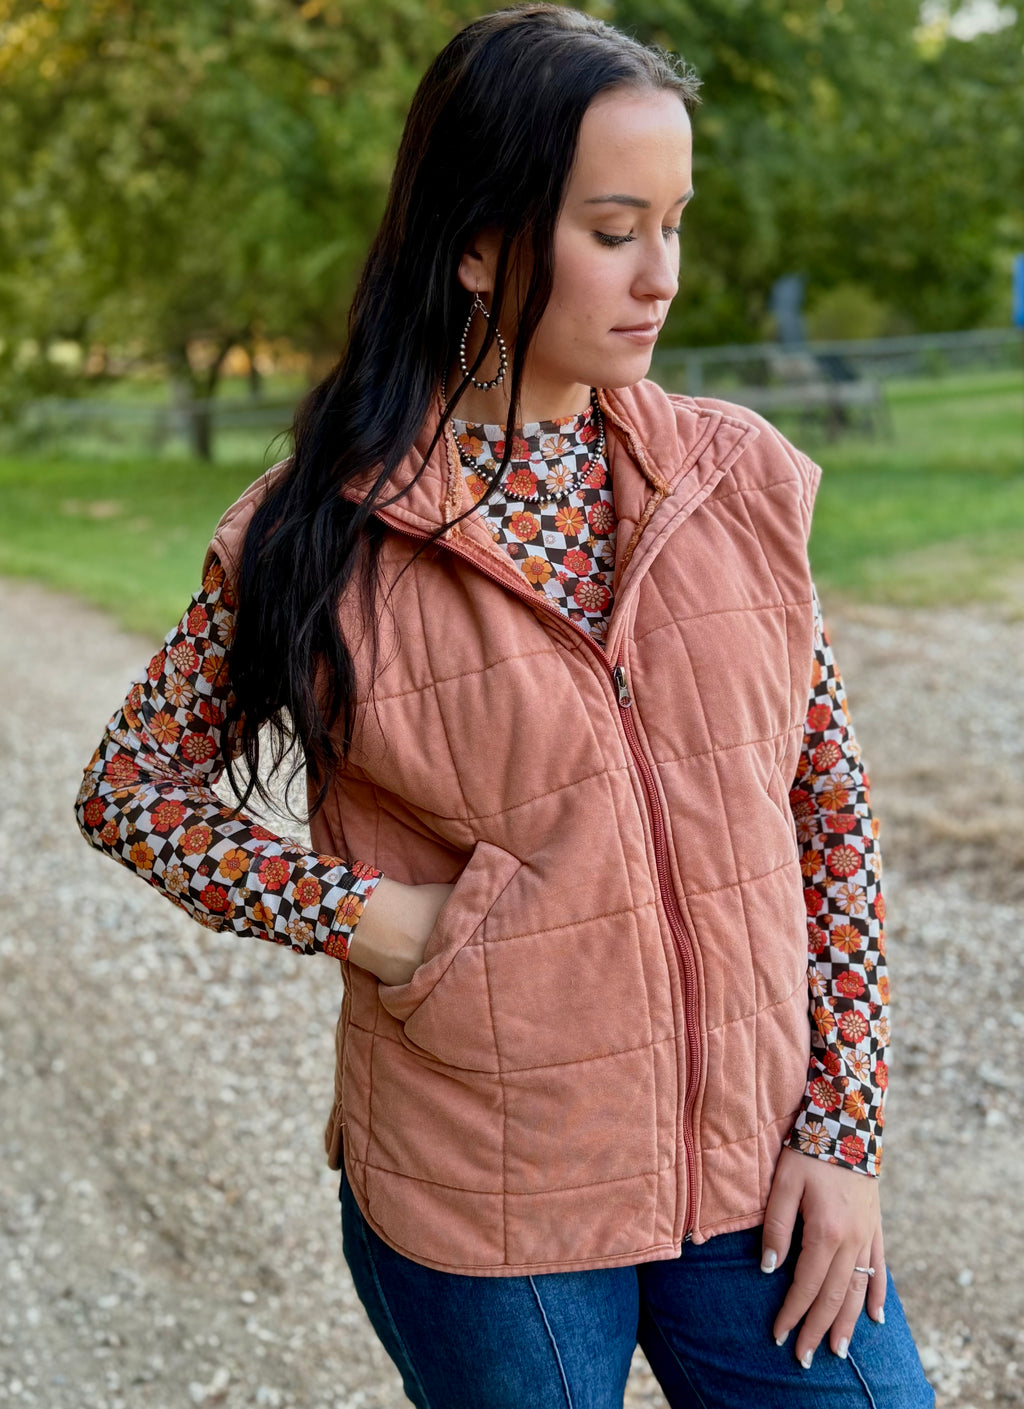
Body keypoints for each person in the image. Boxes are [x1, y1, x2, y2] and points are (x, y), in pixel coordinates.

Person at [74, 6, 936, 1405]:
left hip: (749, 1171)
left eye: (674, 222)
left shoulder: (740, 481)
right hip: (491, 1191)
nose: (660, 275)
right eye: (613, 229)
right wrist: (370, 917)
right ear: (480, 243)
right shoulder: (316, 533)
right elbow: (131, 791)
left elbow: (825, 805)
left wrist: (842, 1135)